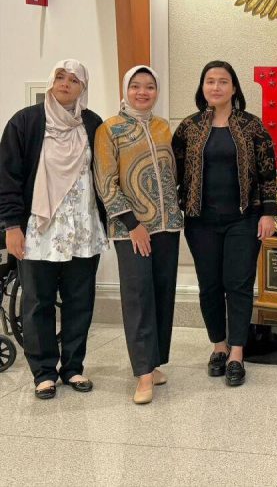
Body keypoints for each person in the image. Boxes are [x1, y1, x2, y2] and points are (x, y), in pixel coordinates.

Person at [0, 60, 106, 399]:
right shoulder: (27, 122)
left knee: (80, 302)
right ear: (50, 82)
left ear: (83, 88)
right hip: (38, 230)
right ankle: (44, 373)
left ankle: (73, 367)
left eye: (74, 80)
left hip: (83, 230)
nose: (66, 83)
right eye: (60, 77)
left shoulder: (92, 124)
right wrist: (11, 225)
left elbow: (104, 176)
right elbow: (8, 177)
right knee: (37, 303)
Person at [172, 60, 277, 388]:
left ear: (234, 88)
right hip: (200, 222)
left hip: (243, 220)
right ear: (202, 87)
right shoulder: (188, 128)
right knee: (210, 287)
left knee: (239, 284)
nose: (215, 87)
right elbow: (171, 174)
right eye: (210, 81)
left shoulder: (252, 126)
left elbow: (267, 174)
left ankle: (237, 353)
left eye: (222, 81)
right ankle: (218, 346)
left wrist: (269, 213)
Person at [93, 66, 184, 404]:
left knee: (162, 294)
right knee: (138, 296)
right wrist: (133, 224)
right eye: (136, 86)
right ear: (125, 90)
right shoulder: (109, 129)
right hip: (130, 229)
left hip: (167, 227)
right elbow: (105, 182)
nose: (143, 92)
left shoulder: (162, 127)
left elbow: (172, 173)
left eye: (149, 87)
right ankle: (142, 375)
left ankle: (154, 362)